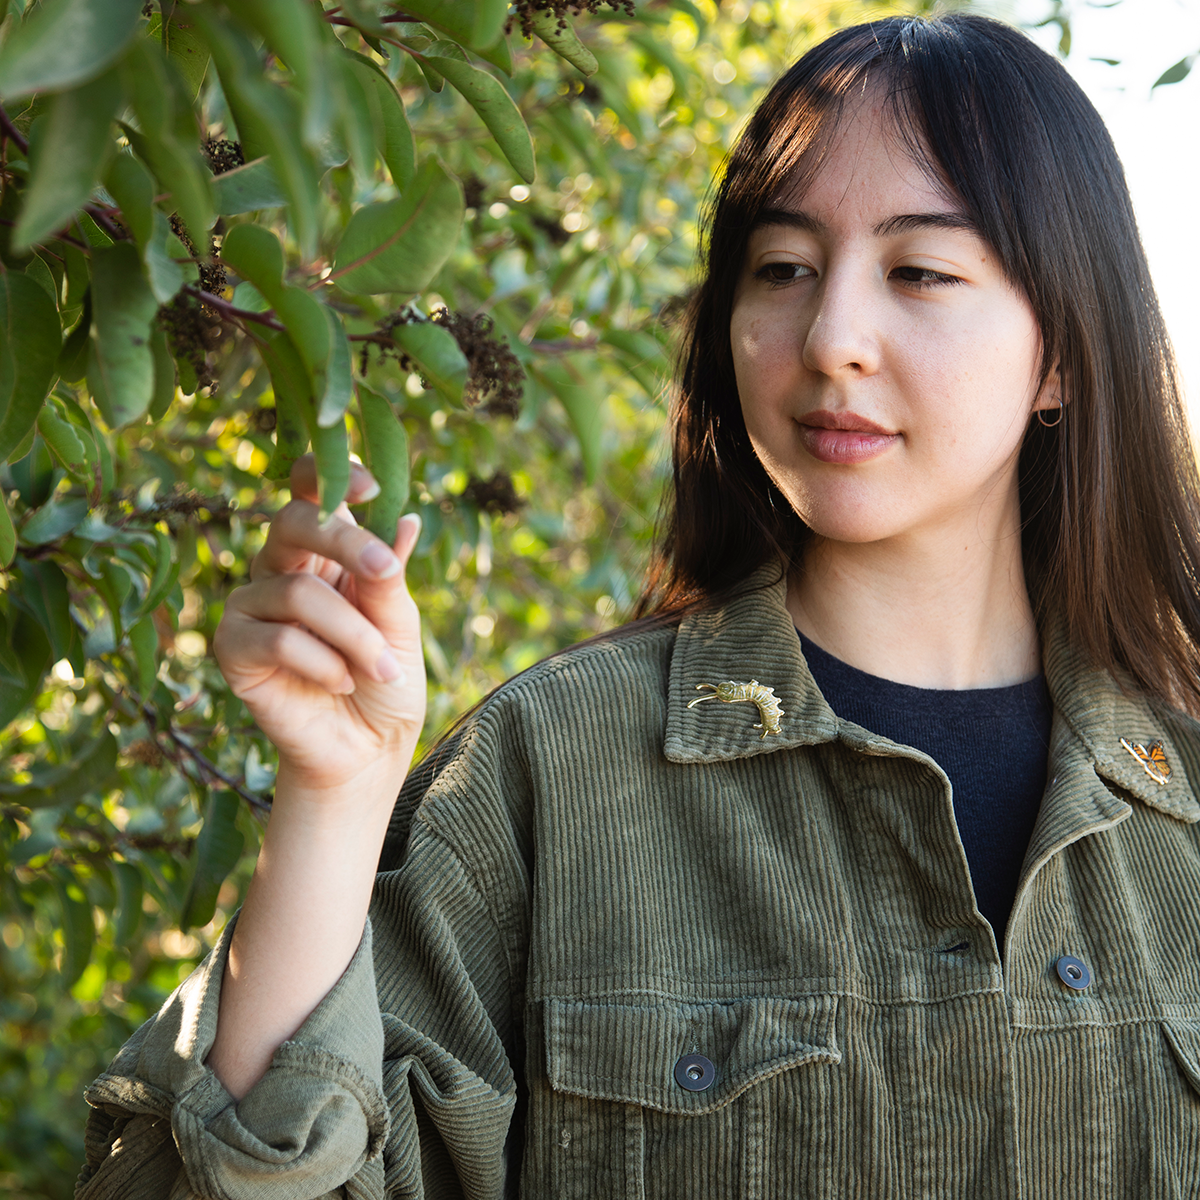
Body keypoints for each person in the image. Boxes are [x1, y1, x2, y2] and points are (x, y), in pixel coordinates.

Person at [77, 13, 1200, 1199]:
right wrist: (330, 799)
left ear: (1065, 353)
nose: (831, 340)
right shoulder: (551, 769)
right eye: (783, 269)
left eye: (920, 270)